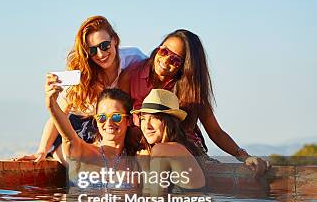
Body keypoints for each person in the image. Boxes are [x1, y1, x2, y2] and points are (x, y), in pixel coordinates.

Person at [119, 29, 268, 175]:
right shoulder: (131, 75)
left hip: (182, 150)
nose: (165, 60)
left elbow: (215, 131)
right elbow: (121, 116)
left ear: (185, 66)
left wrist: (244, 157)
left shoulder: (190, 89)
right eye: (164, 51)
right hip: (142, 147)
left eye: (175, 60)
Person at [20, 16, 145, 165]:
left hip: (119, 127)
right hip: (80, 128)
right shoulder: (81, 75)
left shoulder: (135, 58)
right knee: (78, 165)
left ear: (115, 40)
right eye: (92, 50)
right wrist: (41, 150)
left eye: (104, 45)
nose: (100, 54)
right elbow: (59, 114)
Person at [45, 73, 138, 188]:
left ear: (128, 120)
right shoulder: (81, 152)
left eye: (116, 117)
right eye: (102, 118)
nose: (108, 123)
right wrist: (52, 105)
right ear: (96, 121)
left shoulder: (135, 163)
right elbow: (69, 138)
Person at [131, 89, 205, 190]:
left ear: (170, 122)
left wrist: (144, 166)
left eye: (154, 118)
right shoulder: (180, 148)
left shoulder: (162, 150)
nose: (147, 126)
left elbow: (155, 201)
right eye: (143, 119)